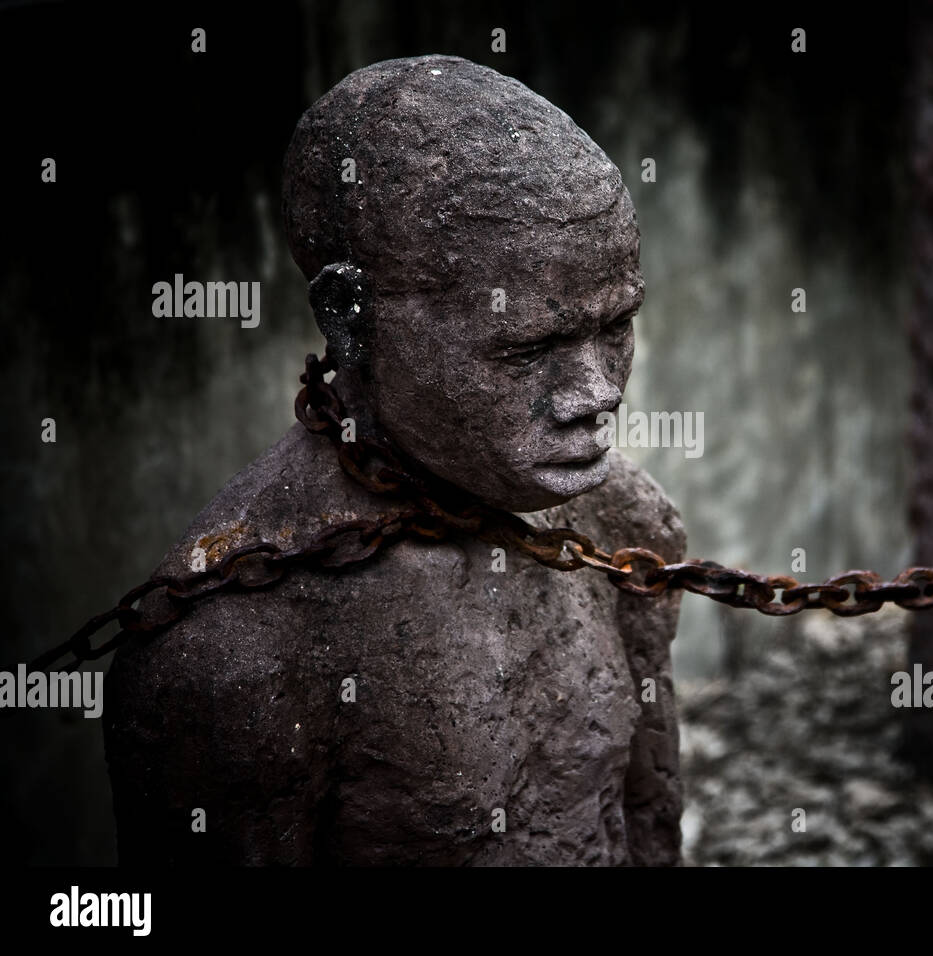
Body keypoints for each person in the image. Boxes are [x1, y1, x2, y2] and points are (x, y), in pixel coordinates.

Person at [104, 54, 687, 866]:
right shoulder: (231, 654)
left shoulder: (622, 523)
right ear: (350, 321)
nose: (597, 394)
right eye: (527, 349)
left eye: (615, 326)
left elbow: (651, 829)